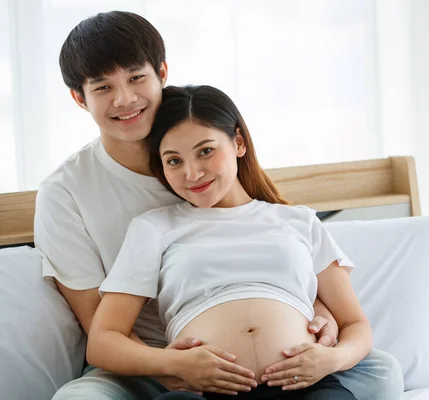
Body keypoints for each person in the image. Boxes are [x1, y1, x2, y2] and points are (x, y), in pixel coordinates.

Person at [34, 10, 404, 400]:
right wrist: (174, 366)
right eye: (103, 87)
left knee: (382, 370)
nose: (125, 99)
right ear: (80, 98)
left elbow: (274, 257)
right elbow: (102, 329)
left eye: (136, 77)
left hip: (284, 365)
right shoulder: (70, 195)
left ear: (161, 72)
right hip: (145, 362)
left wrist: (319, 320)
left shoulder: (224, 168)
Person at [87, 84, 370, 400]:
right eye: (174, 161)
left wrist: (333, 359)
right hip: (203, 394)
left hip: (304, 387)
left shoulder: (298, 221)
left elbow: (355, 324)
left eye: (205, 151)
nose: (192, 173)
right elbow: (103, 341)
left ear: (238, 142)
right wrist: (172, 363)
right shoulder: (153, 227)